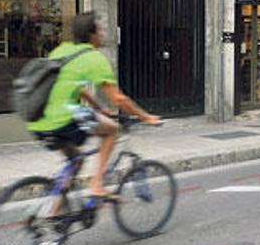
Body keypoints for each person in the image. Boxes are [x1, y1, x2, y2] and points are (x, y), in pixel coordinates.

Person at [28, 12, 161, 205]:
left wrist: (98, 109)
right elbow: (118, 98)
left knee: (76, 161)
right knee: (112, 130)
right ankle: (97, 184)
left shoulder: (62, 50)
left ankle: (52, 216)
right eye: (100, 30)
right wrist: (146, 116)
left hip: (39, 120)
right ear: (92, 34)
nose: (103, 34)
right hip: (64, 117)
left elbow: (77, 87)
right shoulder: (93, 58)